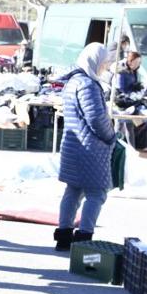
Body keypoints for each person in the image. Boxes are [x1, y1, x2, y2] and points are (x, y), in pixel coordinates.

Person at [53, 44, 117, 249]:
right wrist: (110, 136)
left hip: (74, 146)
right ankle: (84, 239)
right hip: (90, 148)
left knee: (73, 190)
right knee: (96, 193)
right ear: (95, 62)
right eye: (105, 63)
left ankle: (63, 236)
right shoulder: (88, 85)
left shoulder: (74, 81)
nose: (106, 67)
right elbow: (97, 119)